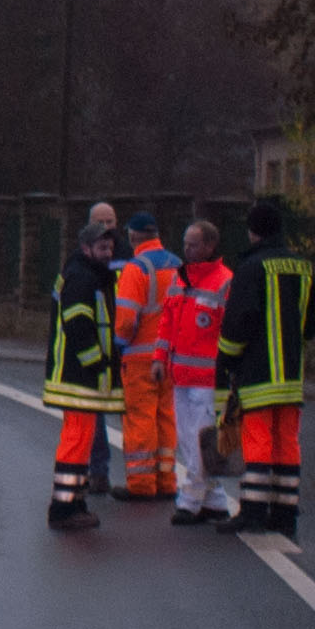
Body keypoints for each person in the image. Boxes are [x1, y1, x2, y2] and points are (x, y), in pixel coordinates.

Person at [218, 198, 315, 535]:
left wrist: (227, 361)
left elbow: (238, 323)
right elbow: (312, 322)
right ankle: (284, 514)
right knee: (287, 442)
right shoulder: (304, 268)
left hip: (257, 375)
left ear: (252, 232)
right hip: (292, 377)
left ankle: (252, 512)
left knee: (258, 440)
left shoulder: (251, 268)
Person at [43, 214, 121, 528]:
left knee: (81, 441)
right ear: (86, 248)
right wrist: (96, 362)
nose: (108, 253)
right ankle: (63, 509)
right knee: (76, 441)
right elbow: (77, 325)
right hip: (77, 377)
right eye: (102, 247)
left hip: (79, 376)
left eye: (110, 247)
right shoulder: (81, 277)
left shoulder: (87, 274)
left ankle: (74, 501)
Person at [167, 218, 235, 525]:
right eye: (185, 244)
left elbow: (229, 330)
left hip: (208, 379)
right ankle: (215, 500)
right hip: (180, 373)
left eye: (193, 244)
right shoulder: (179, 277)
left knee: (200, 440)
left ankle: (191, 500)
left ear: (210, 245)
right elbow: (167, 322)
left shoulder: (225, 281)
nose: (187, 249)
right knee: (187, 439)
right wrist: (160, 358)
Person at [111, 213, 182, 502]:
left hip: (140, 358)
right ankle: (166, 480)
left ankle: (141, 483)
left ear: (132, 236)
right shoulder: (178, 265)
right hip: (171, 356)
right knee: (166, 417)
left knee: (140, 418)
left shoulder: (136, 268)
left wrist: (118, 345)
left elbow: (126, 320)